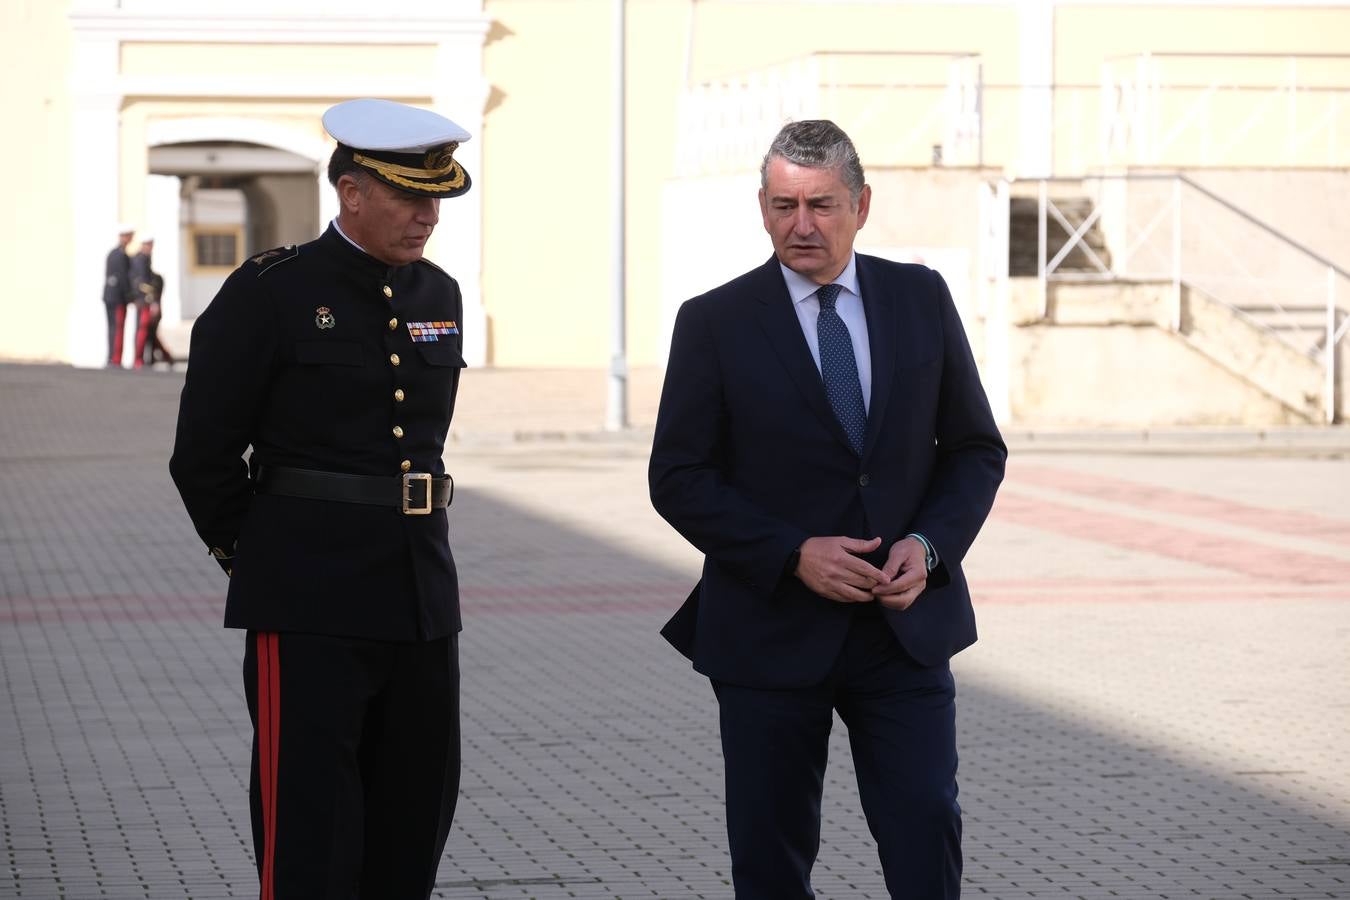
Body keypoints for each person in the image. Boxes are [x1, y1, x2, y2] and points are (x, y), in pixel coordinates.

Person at [648, 119, 1007, 899]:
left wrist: (931, 545)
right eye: (782, 206)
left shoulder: (920, 297)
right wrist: (790, 552)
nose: (800, 225)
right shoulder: (714, 321)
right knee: (771, 853)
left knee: (923, 823)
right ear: (762, 206)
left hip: (901, 628)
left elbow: (977, 449)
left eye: (820, 205)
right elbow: (677, 476)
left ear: (862, 205)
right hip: (769, 630)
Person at [170, 98, 473, 898]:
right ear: (351, 192)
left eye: (437, 196)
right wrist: (263, 561)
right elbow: (201, 456)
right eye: (410, 196)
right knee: (309, 822)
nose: (427, 215)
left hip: (418, 594)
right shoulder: (271, 290)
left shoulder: (438, 293)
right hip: (306, 599)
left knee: (415, 812)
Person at [130, 236, 173, 369]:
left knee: (149, 333)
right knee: (143, 331)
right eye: (148, 245)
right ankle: (140, 359)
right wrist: (153, 300)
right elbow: (143, 283)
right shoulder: (141, 260)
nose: (150, 247)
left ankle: (149, 359)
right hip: (144, 301)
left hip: (145, 301)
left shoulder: (143, 259)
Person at [103, 224, 135, 367]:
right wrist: (130, 296)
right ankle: (115, 359)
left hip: (110, 295)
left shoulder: (113, 253)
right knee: (117, 327)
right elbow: (123, 278)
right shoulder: (121, 255)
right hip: (118, 297)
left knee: (112, 327)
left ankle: (112, 357)